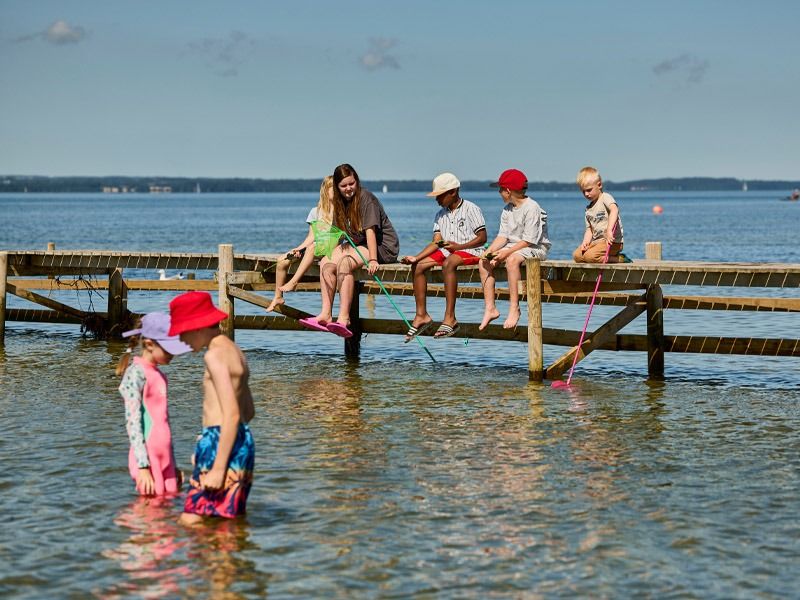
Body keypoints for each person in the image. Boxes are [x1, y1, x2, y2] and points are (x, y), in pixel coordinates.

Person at [168, 291, 256, 524]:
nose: (181, 340)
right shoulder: (236, 351)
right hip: (242, 441)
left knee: (191, 519)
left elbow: (232, 413)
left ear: (197, 327)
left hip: (220, 439)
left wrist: (217, 464)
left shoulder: (214, 356)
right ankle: (226, 558)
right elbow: (248, 412)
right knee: (228, 517)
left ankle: (200, 560)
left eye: (181, 332)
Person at [299, 163, 399, 338]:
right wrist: (323, 252)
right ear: (337, 187)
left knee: (345, 264)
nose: (348, 189)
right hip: (359, 243)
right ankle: (325, 314)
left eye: (351, 184)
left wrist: (373, 260)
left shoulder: (366, 198)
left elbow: (370, 232)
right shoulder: (339, 202)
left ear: (356, 181)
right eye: (343, 186)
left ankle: (344, 318)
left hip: (382, 246)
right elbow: (338, 234)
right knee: (326, 262)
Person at [401, 172, 486, 339]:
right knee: (418, 266)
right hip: (448, 251)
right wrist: (416, 258)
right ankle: (421, 316)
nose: (436, 200)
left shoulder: (471, 209)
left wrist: (459, 246)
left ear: (453, 192)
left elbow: (482, 238)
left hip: (471, 250)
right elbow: (436, 242)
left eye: (439, 195)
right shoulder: (440, 215)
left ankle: (450, 318)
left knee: (449, 263)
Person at [117, 312, 192, 496]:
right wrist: (143, 466)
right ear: (149, 344)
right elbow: (133, 422)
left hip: (165, 457)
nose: (173, 354)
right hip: (147, 459)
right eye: (168, 349)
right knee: (151, 510)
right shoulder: (136, 374)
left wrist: (173, 464)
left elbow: (164, 423)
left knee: (170, 506)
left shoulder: (160, 375)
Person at [479, 169, 551, 331]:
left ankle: (514, 308)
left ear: (508, 191)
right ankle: (490, 308)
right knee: (483, 262)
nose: (499, 193)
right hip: (515, 247)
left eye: (500, 189)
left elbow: (529, 240)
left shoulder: (532, 208)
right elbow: (502, 237)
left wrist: (506, 252)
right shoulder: (507, 210)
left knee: (511, 261)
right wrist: (489, 251)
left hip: (535, 247)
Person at [266, 177, 335, 312]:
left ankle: (293, 282)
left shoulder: (342, 212)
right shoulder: (316, 211)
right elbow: (311, 236)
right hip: (315, 248)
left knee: (312, 247)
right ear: (326, 190)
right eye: (334, 188)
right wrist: (299, 249)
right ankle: (278, 296)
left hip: (332, 249)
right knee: (282, 260)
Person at [572, 166, 628, 263]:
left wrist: (609, 230)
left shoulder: (605, 198)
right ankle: (599, 256)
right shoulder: (588, 209)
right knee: (577, 256)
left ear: (599, 185)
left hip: (612, 242)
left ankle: (619, 259)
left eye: (589, 190)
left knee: (590, 257)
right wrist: (585, 242)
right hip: (596, 243)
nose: (586, 194)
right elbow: (589, 229)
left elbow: (614, 209)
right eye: (583, 191)